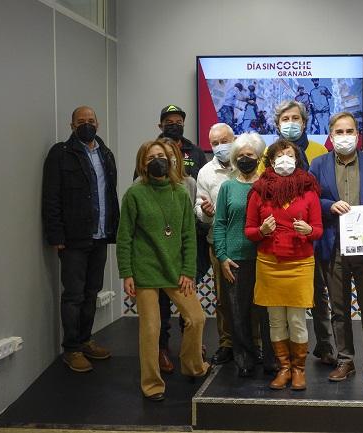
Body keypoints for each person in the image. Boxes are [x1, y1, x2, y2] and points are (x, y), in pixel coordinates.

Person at [117, 140, 209, 401]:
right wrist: (127, 273)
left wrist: (188, 271)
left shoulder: (180, 192)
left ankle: (193, 365)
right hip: (145, 271)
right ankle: (152, 384)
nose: (157, 160)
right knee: (151, 329)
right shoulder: (134, 194)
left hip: (176, 270)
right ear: (142, 164)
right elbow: (124, 238)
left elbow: (189, 236)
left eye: (161, 155)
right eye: (151, 157)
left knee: (196, 318)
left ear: (171, 160)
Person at [42, 106, 119, 373]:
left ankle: (86, 340)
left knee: (92, 291)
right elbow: (51, 197)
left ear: (98, 123)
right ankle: (71, 349)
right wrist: (56, 235)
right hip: (73, 238)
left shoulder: (105, 153)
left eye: (91, 121)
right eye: (81, 121)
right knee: (73, 295)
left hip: (100, 235)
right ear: (71, 125)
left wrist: (113, 229)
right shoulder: (60, 154)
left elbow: (110, 193)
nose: (87, 124)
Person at [309, 112, 363, 386]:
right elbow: (309, 201)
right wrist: (329, 205)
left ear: (357, 134)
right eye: (339, 132)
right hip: (334, 246)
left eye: (349, 131)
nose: (344, 136)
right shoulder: (318, 165)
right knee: (339, 309)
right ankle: (345, 361)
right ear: (330, 136)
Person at [245, 139, 323, 390]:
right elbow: (249, 231)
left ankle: (299, 370)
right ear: (270, 161)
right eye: (279, 155)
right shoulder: (259, 191)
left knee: (297, 320)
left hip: (300, 263)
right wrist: (262, 231)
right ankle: (284, 368)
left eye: (289, 155)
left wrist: (310, 230)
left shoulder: (309, 191)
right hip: (269, 263)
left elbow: (319, 230)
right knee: (276, 320)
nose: (285, 159)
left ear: (298, 159)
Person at [271, 100, 335, 365]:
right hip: (281, 239)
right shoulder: (270, 152)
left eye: (295, 118)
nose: (291, 123)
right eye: (285, 119)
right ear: (277, 124)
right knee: (279, 301)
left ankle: (325, 345)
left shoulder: (320, 151)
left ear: (305, 122)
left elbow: (325, 193)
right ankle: (281, 354)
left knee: (318, 293)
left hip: (315, 234)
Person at [213, 132, 276, 377]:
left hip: (264, 257)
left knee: (266, 314)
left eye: (249, 155)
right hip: (235, 258)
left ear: (259, 156)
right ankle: (244, 360)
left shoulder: (268, 186)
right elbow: (219, 224)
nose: (245, 159)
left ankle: (271, 360)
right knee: (237, 314)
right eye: (240, 156)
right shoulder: (228, 187)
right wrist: (221, 256)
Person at [155, 105, 208, 373]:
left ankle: (192, 346)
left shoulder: (196, 152)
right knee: (161, 302)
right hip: (159, 244)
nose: (174, 124)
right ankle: (162, 349)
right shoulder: (151, 151)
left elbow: (201, 189)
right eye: (169, 121)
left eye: (178, 121)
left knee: (188, 295)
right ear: (160, 124)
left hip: (190, 239)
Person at [196, 123, 235, 365]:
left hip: (249, 243)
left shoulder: (247, 163)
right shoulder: (205, 172)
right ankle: (227, 343)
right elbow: (199, 211)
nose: (221, 146)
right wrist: (207, 213)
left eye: (225, 140)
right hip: (217, 243)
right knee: (223, 299)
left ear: (235, 139)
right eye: (215, 143)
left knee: (252, 298)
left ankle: (256, 344)